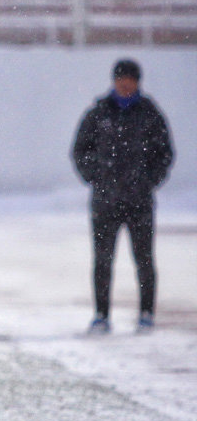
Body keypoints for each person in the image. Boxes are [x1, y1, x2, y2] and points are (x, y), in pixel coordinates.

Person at [72, 59, 174, 334]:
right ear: (114, 81)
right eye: (121, 78)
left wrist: (147, 181)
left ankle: (146, 313)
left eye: (130, 78)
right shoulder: (99, 112)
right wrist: (97, 177)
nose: (125, 83)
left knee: (144, 260)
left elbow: (165, 153)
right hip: (105, 202)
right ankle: (101, 314)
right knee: (103, 260)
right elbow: (80, 150)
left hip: (139, 202)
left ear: (138, 82)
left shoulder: (149, 113)